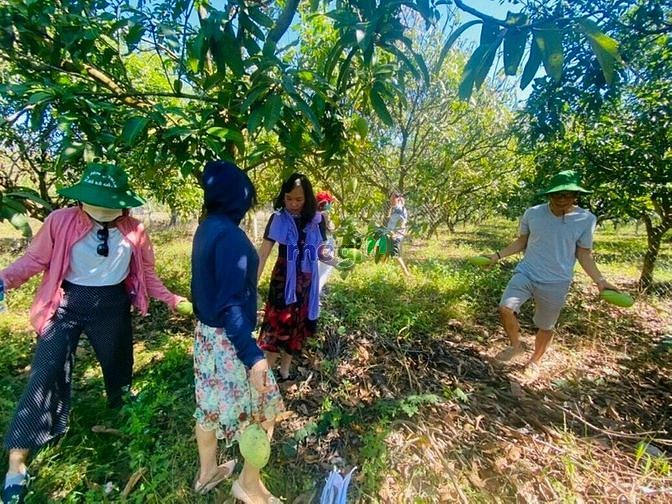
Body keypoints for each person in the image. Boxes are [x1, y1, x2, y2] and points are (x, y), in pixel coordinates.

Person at [0, 163, 189, 504]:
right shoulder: (60, 221)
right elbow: (34, 260)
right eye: (95, 202)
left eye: (109, 204)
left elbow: (147, 274)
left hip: (112, 304)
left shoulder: (134, 230)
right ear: (81, 198)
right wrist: (4, 280)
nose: (102, 210)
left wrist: (173, 300)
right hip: (66, 303)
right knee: (45, 372)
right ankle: (17, 462)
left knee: (119, 368)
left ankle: (124, 419)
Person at [191, 160, 283, 502]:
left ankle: (207, 474)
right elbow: (230, 304)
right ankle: (248, 483)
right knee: (265, 408)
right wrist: (253, 356)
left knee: (208, 407)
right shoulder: (230, 236)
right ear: (237, 197)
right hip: (229, 340)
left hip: (206, 337)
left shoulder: (206, 228)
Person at [486, 170, 618, 380]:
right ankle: (516, 346)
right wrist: (497, 256)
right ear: (549, 194)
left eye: (567, 194)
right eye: (557, 194)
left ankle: (535, 361)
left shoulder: (586, 219)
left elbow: (584, 254)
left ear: (575, 195)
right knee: (505, 308)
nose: (561, 198)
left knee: (546, 326)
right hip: (527, 272)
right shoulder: (533, 213)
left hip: (557, 281)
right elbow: (522, 242)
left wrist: (600, 281)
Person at [257, 174, 331, 382]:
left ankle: (285, 371)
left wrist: (340, 261)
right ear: (283, 197)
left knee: (296, 324)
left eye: (299, 199)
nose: (293, 204)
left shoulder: (317, 221)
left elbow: (322, 252)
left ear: (307, 198)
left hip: (306, 281)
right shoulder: (278, 219)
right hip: (283, 280)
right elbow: (263, 254)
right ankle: (265, 374)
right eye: (289, 198)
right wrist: (252, 283)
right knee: (276, 325)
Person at [316, 190, 337, 293]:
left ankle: (316, 293)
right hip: (324, 245)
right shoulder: (322, 215)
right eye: (329, 203)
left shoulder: (318, 215)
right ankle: (316, 294)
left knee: (320, 272)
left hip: (324, 244)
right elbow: (324, 233)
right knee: (323, 271)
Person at [386, 192, 410, 276]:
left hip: (396, 236)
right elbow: (390, 218)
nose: (391, 200)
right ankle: (399, 273)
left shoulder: (399, 209)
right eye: (391, 198)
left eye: (393, 198)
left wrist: (395, 234)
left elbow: (402, 223)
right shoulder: (395, 208)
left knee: (395, 255)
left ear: (398, 199)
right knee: (393, 254)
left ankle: (406, 274)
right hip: (393, 234)